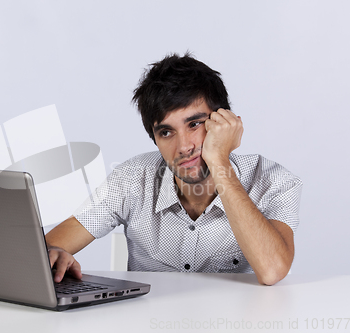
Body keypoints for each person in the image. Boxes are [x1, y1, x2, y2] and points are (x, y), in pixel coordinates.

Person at [46, 52, 302, 285]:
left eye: (194, 124)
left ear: (224, 122)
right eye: (167, 132)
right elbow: (44, 249)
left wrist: (219, 161)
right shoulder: (131, 179)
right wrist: (52, 255)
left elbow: (272, 271)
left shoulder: (274, 181)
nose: (183, 147)